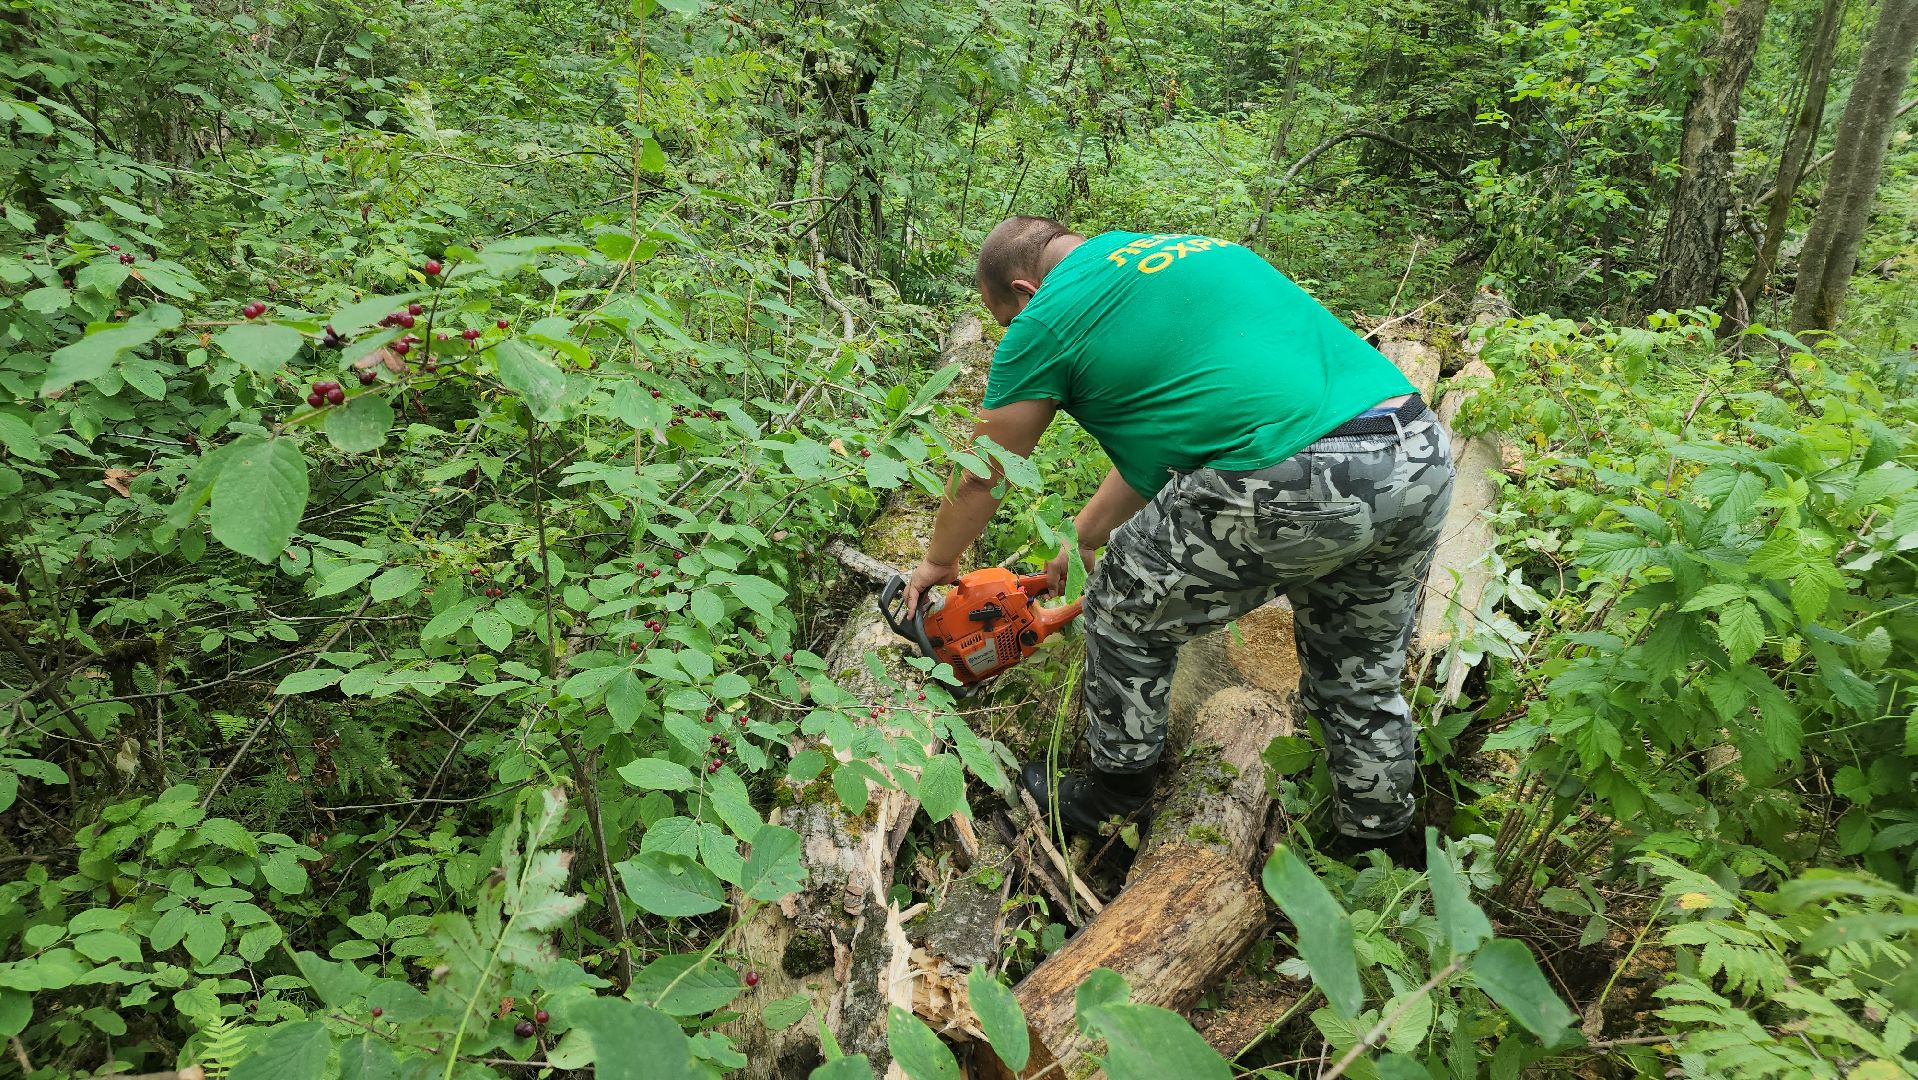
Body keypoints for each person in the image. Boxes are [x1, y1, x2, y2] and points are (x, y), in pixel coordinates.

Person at [902, 216, 1455, 866]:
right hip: (1414, 448)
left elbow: (983, 473)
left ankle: (1113, 798)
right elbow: (1180, 438)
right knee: (1359, 674)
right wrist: (1083, 537)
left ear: (1023, 291)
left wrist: (939, 561)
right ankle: (1382, 855)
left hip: (1296, 472)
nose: (1011, 335)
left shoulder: (1046, 315)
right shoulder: (1193, 252)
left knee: (1120, 609)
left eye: (1004, 321)